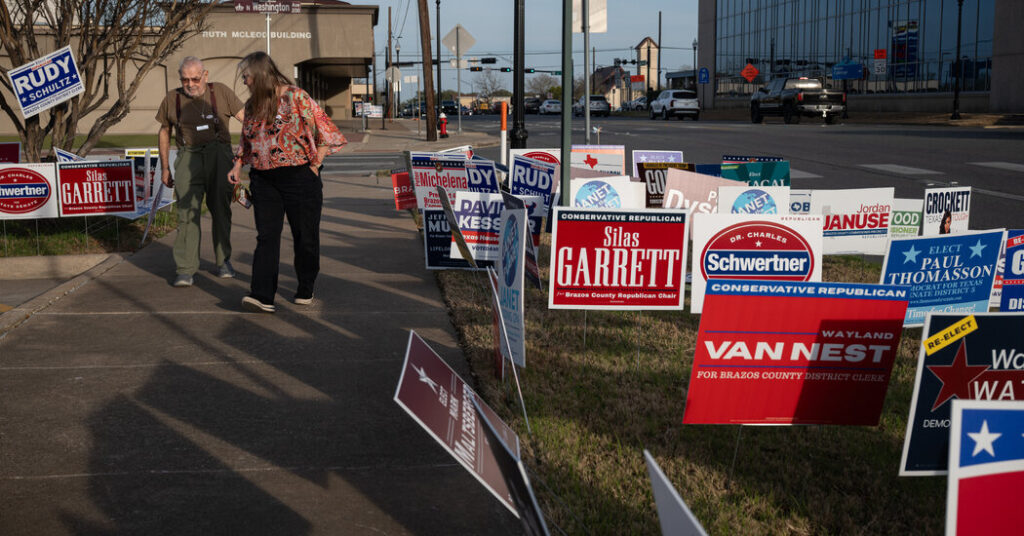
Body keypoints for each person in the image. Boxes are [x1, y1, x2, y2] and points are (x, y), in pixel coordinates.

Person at [227, 51, 346, 313]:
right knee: (266, 237)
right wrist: (237, 165)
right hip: (263, 180)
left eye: (246, 76)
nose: (244, 82)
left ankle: (305, 285)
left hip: (299, 177)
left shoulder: (296, 96)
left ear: (259, 75)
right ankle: (262, 296)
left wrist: (315, 166)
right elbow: (247, 141)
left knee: (304, 237)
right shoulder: (251, 106)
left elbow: (325, 130)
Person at [156, 57, 245, 287]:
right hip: (188, 156)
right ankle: (185, 268)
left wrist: (241, 159)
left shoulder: (222, 92)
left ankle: (223, 261)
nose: (190, 84)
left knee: (221, 210)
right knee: (186, 213)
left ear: (205, 75)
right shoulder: (171, 98)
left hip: (220, 155)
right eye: (185, 79)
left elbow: (248, 121)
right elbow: (164, 131)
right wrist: (165, 167)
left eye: (195, 78)